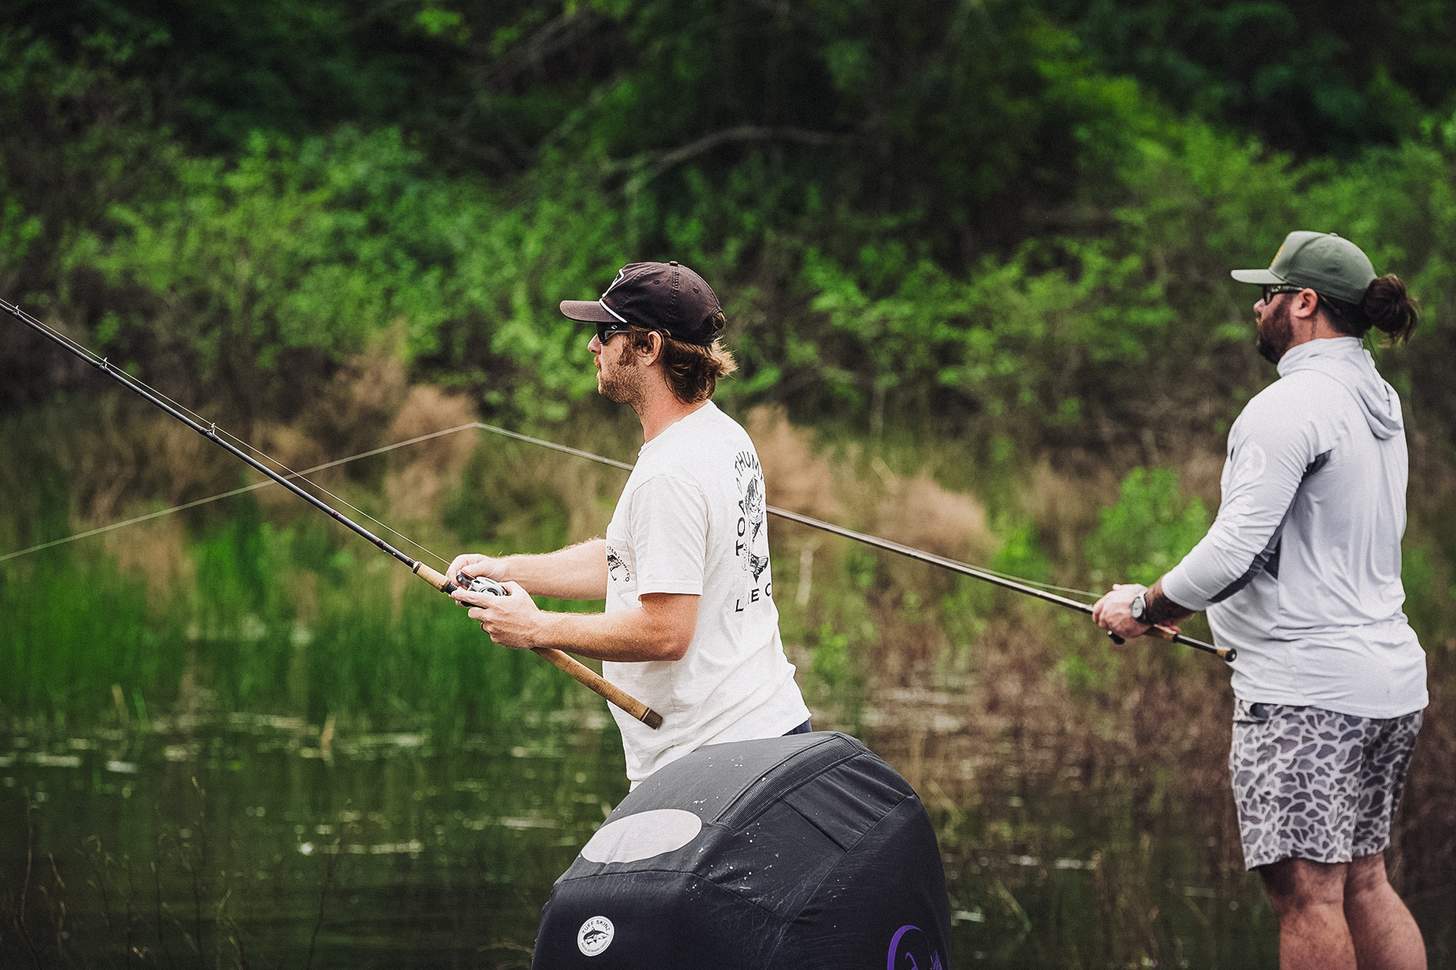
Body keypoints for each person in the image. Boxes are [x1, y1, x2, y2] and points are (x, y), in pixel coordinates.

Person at [1092, 231, 1428, 970]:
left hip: (1307, 696)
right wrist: (1181, 609)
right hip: (1388, 683)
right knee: (1365, 880)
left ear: (1304, 304)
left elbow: (1236, 548)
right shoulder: (1377, 396)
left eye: (1270, 293)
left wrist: (1147, 606)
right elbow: (1294, 547)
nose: (1258, 305)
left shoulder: (1288, 406)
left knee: (1308, 897)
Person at [448, 260, 812, 786]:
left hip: (717, 764)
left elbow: (666, 631)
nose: (592, 347)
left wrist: (537, 628)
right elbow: (631, 562)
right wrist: (508, 570)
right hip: (771, 737)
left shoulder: (669, 474)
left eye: (605, 333)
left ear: (648, 347)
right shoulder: (723, 435)